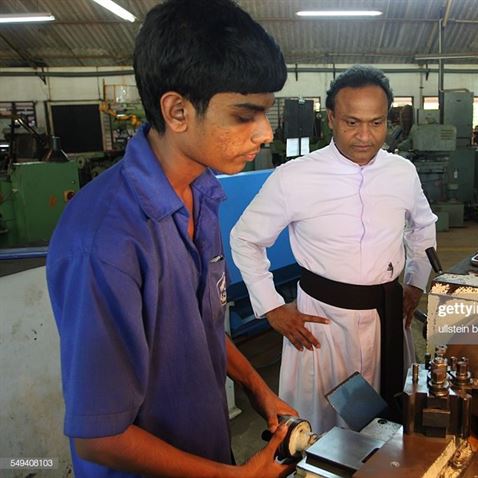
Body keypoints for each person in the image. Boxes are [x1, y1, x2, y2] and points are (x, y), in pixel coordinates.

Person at [46, 1, 296, 476]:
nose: (265, 132)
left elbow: (197, 325)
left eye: (267, 111)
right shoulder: (104, 241)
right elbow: (99, 437)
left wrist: (255, 386)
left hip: (205, 449)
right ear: (177, 111)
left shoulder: (202, 193)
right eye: (246, 114)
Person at [231, 65, 437, 433]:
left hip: (387, 318)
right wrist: (272, 307)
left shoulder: (401, 172)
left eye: (376, 123)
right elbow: (245, 238)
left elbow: (423, 226)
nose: (364, 136)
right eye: (351, 122)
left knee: (391, 420)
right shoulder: (294, 177)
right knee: (324, 426)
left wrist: (416, 284)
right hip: (323, 323)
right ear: (330, 119)